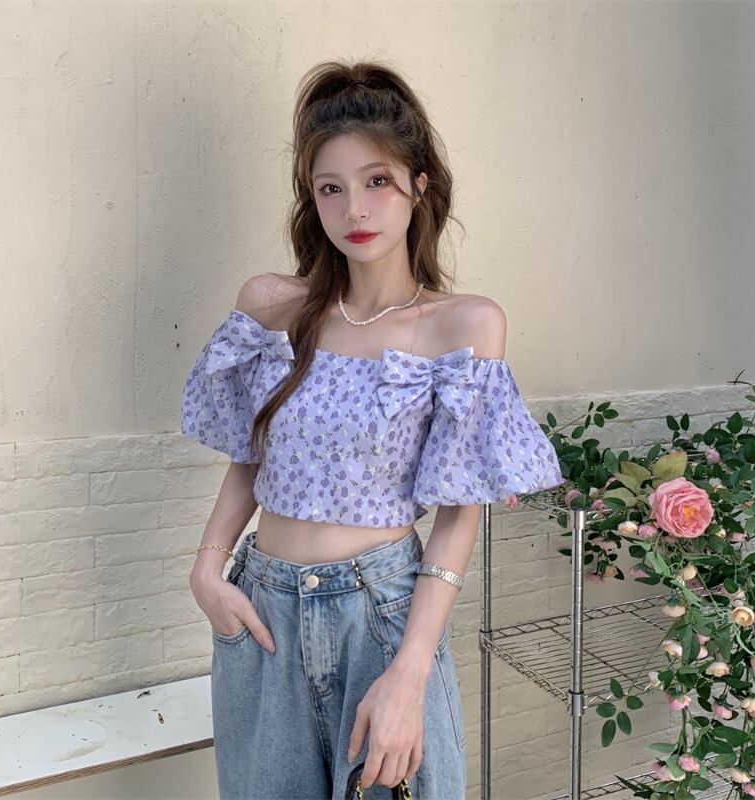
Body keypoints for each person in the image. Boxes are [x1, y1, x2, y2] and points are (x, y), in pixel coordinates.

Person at [181, 59, 564, 800]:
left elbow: (458, 511)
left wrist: (410, 673)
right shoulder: (272, 308)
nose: (354, 207)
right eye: (331, 187)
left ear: (420, 185)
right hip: (261, 619)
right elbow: (251, 455)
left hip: (381, 619)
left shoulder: (463, 326)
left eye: (377, 180)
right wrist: (206, 568)